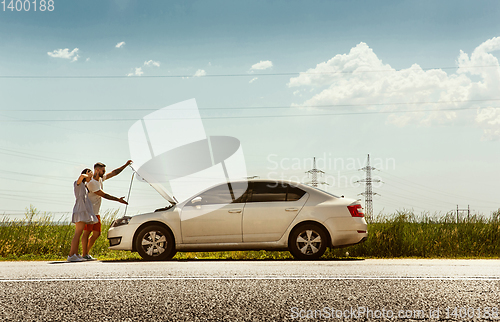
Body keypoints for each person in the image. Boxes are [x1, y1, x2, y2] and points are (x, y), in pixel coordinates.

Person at [81, 160, 132, 260]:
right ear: (97, 170)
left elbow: (114, 173)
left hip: (96, 212)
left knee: (97, 233)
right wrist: (118, 200)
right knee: (87, 233)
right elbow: (104, 195)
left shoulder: (100, 179)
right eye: (103, 171)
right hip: (89, 211)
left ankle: (86, 253)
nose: (104, 172)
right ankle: (84, 254)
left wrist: (125, 165)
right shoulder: (92, 183)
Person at [68, 168, 97, 262]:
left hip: (83, 211)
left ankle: (76, 254)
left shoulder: (84, 186)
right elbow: (80, 177)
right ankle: (71, 255)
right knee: (77, 233)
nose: (91, 178)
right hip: (80, 210)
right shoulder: (78, 183)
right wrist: (86, 175)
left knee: (79, 233)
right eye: (90, 176)